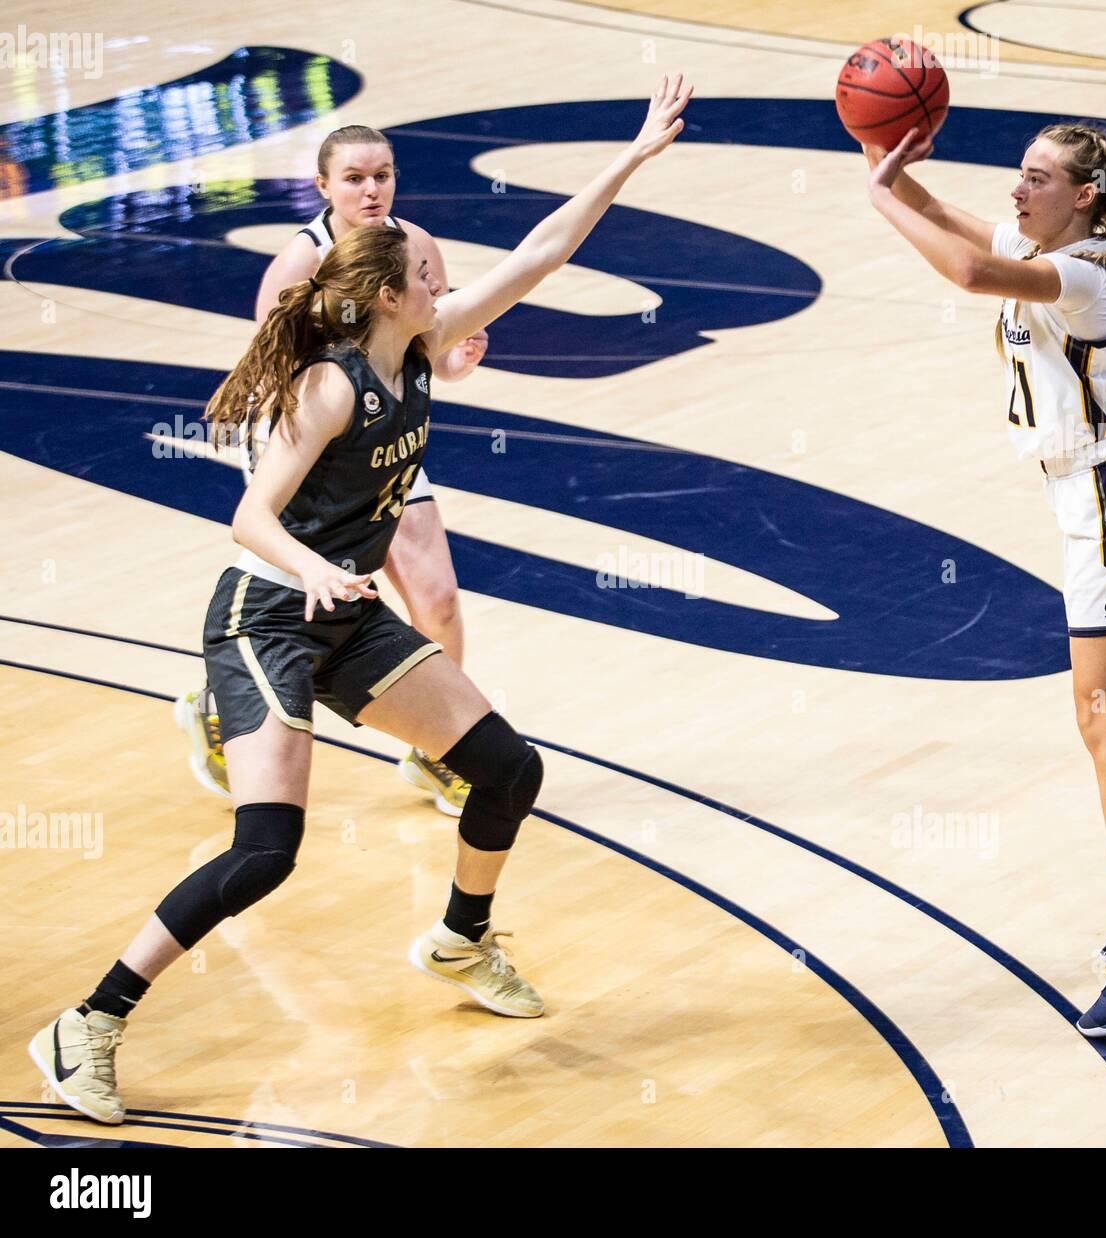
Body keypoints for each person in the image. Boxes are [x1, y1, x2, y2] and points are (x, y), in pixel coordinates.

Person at [30, 76, 693, 1125]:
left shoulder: (421, 344)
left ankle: (460, 937)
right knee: (266, 849)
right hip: (265, 614)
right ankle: (90, 1020)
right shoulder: (331, 385)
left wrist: (634, 153)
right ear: (389, 294)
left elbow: (542, 253)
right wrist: (317, 569)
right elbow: (249, 518)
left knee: (507, 767)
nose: (443, 283)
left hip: (344, 615)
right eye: (426, 277)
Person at [863, 121, 1106, 1036]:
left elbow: (971, 274)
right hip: (1086, 497)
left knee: (1103, 717)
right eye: (1019, 176)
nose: (1017, 193)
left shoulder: (1084, 274)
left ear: (1084, 195)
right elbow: (959, 225)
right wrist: (885, 169)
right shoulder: (1040, 243)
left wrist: (874, 204)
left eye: (1037, 179)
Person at [175, 124, 486, 816]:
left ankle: (439, 753)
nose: (371, 189)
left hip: (386, 440)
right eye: (354, 178)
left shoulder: (417, 248)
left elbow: (426, 358)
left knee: (438, 599)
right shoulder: (299, 262)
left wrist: (456, 363)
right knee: (301, 613)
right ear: (323, 187)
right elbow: (274, 382)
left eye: (382, 175)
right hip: (314, 452)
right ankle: (219, 707)